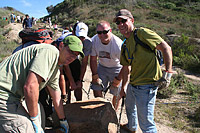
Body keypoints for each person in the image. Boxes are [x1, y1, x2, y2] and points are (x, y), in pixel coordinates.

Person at [0, 35, 84, 133]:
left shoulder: (55, 70)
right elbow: (30, 87)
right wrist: (34, 120)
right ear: (61, 46)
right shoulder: (50, 51)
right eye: (70, 52)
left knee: (39, 111)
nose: (72, 57)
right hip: (4, 94)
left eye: (76, 55)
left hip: (15, 96)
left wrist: (63, 120)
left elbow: (56, 97)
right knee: (26, 128)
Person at [113, 9, 173, 133]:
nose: (121, 25)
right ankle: (131, 128)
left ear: (132, 20)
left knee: (146, 122)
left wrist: (167, 73)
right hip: (133, 84)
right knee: (130, 109)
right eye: (118, 22)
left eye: (123, 21)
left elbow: (166, 48)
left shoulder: (142, 34)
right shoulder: (125, 45)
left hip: (147, 86)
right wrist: (123, 87)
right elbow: (125, 68)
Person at [90, 20, 125, 110]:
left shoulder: (118, 44)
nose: (102, 35)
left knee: (117, 93)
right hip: (102, 66)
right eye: (99, 32)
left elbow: (126, 65)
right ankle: (101, 110)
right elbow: (93, 59)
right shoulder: (94, 41)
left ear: (110, 30)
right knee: (96, 87)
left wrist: (118, 79)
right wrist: (94, 75)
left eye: (105, 32)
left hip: (117, 67)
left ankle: (113, 113)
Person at [58, 22, 92, 103]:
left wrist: (79, 81)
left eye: (82, 37)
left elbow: (84, 63)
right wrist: (71, 81)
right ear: (73, 33)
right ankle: (66, 102)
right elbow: (65, 65)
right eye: (78, 36)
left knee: (78, 85)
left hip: (75, 60)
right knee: (66, 83)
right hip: (62, 60)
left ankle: (79, 104)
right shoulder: (65, 40)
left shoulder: (87, 43)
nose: (80, 40)